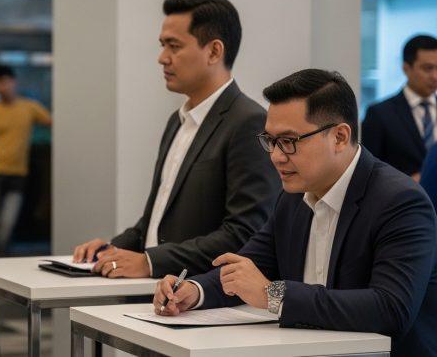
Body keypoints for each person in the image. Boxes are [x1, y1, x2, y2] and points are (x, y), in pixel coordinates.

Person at [154, 69, 437, 357]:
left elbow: (391, 309)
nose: (276, 156)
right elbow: (248, 268)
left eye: (289, 141)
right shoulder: (292, 198)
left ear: (340, 137)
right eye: (270, 141)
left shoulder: (401, 201)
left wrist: (273, 296)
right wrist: (191, 290)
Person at [72, 0, 281, 279]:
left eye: (174, 46)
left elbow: (244, 233)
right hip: (154, 292)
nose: (162, 58)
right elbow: (158, 220)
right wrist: (113, 249)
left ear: (214, 52)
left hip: (202, 299)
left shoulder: (248, 121)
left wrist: (151, 262)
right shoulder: (178, 120)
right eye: (162, 45)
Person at [0, 65, 52, 253]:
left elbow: (51, 122)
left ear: (14, 81)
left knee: (6, 225)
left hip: (18, 175)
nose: (3, 87)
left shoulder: (29, 107)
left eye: (6, 81)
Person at [362, 34, 437, 180]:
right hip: (402, 199)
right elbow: (367, 171)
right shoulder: (379, 114)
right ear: (406, 68)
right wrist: (406, 182)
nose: (435, 76)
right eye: (428, 68)